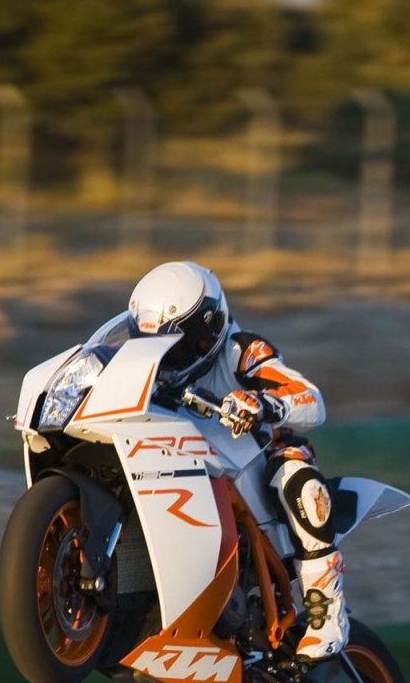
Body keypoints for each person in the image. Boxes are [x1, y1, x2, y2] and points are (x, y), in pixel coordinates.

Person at [127, 260, 349, 662]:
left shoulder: (241, 351)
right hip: (185, 456)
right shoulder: (148, 368)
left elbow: (310, 399)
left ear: (206, 331)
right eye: (151, 340)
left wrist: (264, 403)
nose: (163, 353)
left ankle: (327, 612)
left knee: (296, 478)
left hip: (253, 459)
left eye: (173, 342)